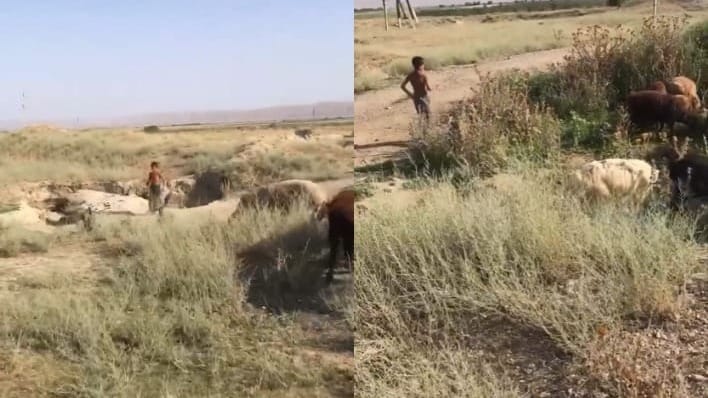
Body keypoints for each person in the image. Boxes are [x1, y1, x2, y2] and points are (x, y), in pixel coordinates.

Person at [400, 55, 432, 123]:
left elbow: (427, 86)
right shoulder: (416, 74)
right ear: (418, 64)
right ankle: (424, 131)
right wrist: (411, 95)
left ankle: (423, 130)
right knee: (427, 116)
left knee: (424, 116)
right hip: (420, 97)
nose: (423, 65)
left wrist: (411, 95)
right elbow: (402, 86)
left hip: (422, 96)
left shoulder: (419, 73)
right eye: (422, 63)